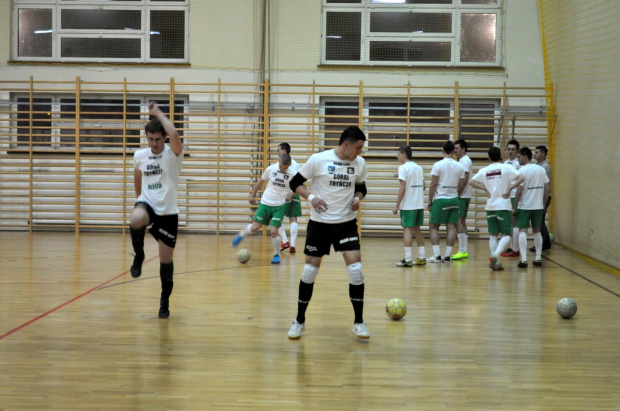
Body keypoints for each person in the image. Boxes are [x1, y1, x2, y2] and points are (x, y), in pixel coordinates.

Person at [286, 126, 369, 340]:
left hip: (346, 223)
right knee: (309, 273)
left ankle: (359, 322)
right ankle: (299, 321)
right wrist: (312, 198)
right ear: (346, 145)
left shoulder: (359, 163)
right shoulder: (319, 159)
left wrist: (357, 199)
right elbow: (295, 183)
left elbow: (362, 187)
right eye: (358, 148)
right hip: (320, 224)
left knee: (356, 270)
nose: (360, 152)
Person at [129, 101, 183, 319]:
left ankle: (164, 301)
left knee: (165, 259)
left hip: (168, 213)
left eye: (157, 139)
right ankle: (139, 256)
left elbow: (175, 134)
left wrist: (158, 113)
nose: (153, 143)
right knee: (136, 218)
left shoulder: (173, 154)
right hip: (148, 205)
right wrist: (140, 199)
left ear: (164, 138)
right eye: (150, 139)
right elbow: (137, 176)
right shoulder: (140, 155)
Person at [232, 154, 295, 264]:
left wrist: (291, 194)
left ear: (290, 165)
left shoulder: (293, 174)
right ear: (278, 161)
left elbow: (301, 187)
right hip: (265, 203)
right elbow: (260, 182)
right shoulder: (270, 169)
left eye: (285, 167)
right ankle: (241, 234)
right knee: (255, 227)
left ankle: (276, 255)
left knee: (274, 231)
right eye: (281, 166)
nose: (282, 169)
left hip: (279, 206)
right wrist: (252, 195)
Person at [470, 146, 524, 271]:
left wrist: (485, 189)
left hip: (490, 205)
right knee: (506, 234)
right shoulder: (507, 168)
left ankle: (496, 262)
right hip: (503, 205)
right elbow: (521, 178)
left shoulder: (484, 170)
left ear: (488, 157)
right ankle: (495, 256)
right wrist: (510, 189)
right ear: (501, 156)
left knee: (493, 235)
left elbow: (471, 182)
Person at [427, 140, 467, 263]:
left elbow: (433, 184)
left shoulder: (438, 165)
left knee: (433, 227)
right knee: (451, 227)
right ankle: (448, 255)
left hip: (441, 199)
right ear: (454, 151)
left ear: (442, 150)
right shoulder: (460, 166)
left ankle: (437, 255)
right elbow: (461, 183)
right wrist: (455, 194)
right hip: (454, 199)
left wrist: (429, 200)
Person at [514, 147, 550, 267]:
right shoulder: (541, 170)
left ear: (525, 157)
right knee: (537, 231)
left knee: (522, 231)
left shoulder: (523, 171)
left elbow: (519, 191)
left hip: (525, 206)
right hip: (538, 206)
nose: (517, 159)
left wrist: (514, 207)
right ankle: (538, 258)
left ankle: (524, 259)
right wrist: (544, 204)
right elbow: (547, 188)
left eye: (519, 157)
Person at [393, 145, 426, 267]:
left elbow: (402, 187)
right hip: (418, 205)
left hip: (408, 206)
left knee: (406, 229)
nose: (397, 156)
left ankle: (407, 259)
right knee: (417, 230)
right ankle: (422, 257)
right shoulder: (419, 167)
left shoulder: (403, 168)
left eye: (398, 154)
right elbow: (424, 186)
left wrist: (397, 206)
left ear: (404, 155)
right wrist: (416, 195)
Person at [276, 143, 301, 253]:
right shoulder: (296, 164)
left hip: (284, 194)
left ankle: (285, 241)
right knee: (293, 219)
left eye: (278, 150)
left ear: (284, 152)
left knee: (276, 217)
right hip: (295, 193)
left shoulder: (280, 164)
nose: (277, 152)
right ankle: (293, 245)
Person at [451, 139, 472, 260]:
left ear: (463, 149)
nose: (455, 150)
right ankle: (464, 250)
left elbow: (464, 179)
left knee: (458, 221)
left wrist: (457, 193)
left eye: (457, 148)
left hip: (462, 196)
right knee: (462, 222)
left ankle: (462, 250)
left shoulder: (465, 161)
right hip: (464, 195)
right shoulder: (463, 160)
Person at [501, 139, 522, 258]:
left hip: (514, 196)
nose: (510, 151)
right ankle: (512, 246)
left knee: (515, 222)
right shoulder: (505, 163)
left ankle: (516, 249)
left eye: (513, 149)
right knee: (509, 223)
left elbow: (521, 182)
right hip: (506, 196)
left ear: (517, 151)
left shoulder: (518, 164)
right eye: (509, 149)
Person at [530, 145, 552, 252]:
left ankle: (542, 244)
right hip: (539, 197)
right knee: (540, 221)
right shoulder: (537, 165)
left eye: (537, 152)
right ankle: (546, 243)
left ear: (543, 154)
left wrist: (544, 201)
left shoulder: (545, 167)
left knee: (539, 222)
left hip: (543, 197)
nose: (535, 154)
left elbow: (546, 186)